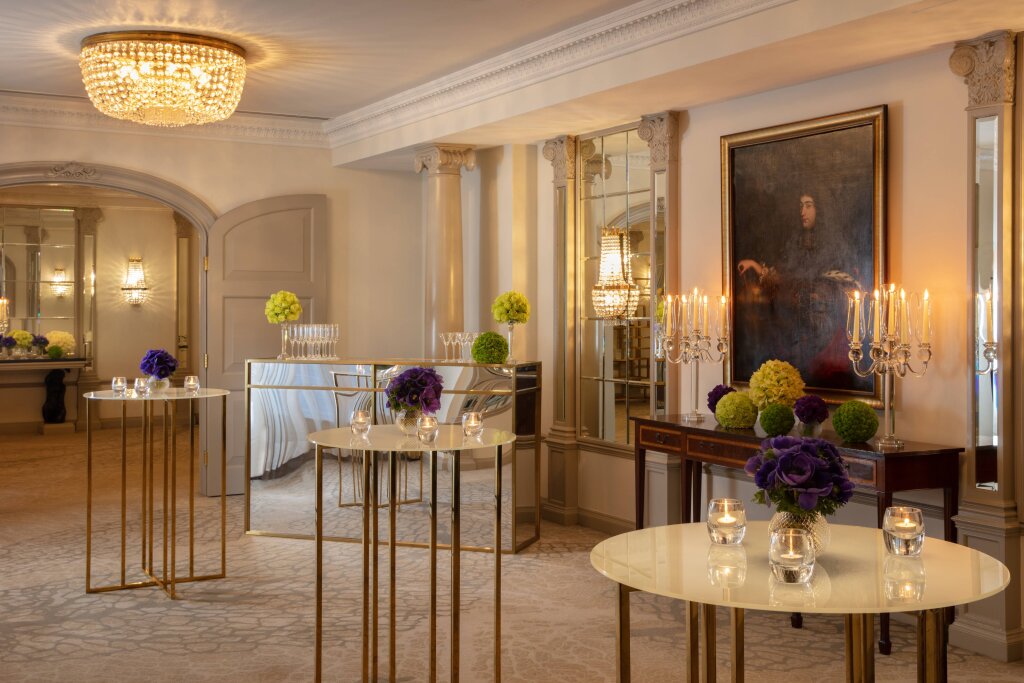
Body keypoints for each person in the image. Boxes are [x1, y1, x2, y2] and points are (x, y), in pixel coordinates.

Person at [734, 191, 867, 391]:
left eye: (808, 205)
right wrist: (755, 265)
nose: (802, 212)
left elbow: (843, 280)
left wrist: (817, 293)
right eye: (801, 206)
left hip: (824, 323)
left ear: (820, 210)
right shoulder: (797, 243)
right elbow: (786, 278)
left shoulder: (833, 245)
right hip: (797, 317)